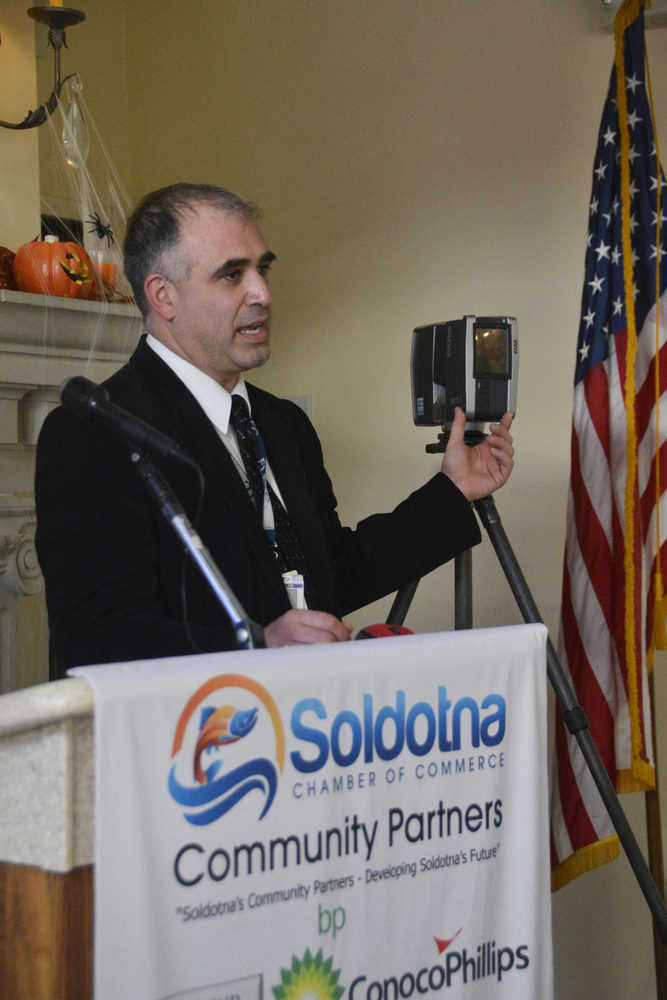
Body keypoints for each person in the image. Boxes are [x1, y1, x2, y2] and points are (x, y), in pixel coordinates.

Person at [35, 183, 514, 676]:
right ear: (163, 295)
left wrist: (453, 491)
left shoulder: (285, 424)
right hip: (193, 740)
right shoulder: (95, 431)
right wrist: (255, 645)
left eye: (261, 268)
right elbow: (95, 639)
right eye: (231, 275)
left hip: (304, 733)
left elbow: (331, 576)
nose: (262, 293)